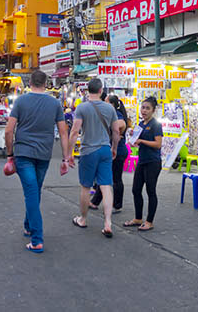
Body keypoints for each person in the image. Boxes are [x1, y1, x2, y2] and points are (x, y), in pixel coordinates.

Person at [5, 70, 69, 253]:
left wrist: (10, 154)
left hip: (23, 153)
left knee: (32, 193)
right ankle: (28, 225)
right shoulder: (55, 103)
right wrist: (66, 157)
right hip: (44, 153)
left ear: (30, 82)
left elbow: (9, 131)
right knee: (34, 191)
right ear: (46, 83)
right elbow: (63, 132)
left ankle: (37, 239)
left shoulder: (21, 101)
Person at [68, 78, 120, 238]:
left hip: (88, 151)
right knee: (105, 186)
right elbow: (116, 131)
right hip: (105, 150)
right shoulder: (109, 108)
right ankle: (108, 223)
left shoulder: (82, 107)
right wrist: (114, 148)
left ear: (87, 90)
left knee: (85, 186)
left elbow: (75, 131)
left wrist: (68, 154)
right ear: (101, 90)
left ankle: (83, 219)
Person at [124, 96, 163, 232]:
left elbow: (158, 144)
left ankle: (149, 221)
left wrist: (141, 141)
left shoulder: (156, 125)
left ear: (153, 110)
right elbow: (137, 141)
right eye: (143, 107)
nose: (144, 110)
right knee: (136, 189)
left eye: (147, 108)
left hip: (153, 162)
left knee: (150, 191)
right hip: (142, 161)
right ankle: (138, 218)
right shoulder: (141, 124)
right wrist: (133, 137)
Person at [90, 94, 129, 213]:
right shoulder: (109, 114)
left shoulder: (117, 114)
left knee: (116, 179)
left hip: (118, 151)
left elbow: (121, 124)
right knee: (105, 176)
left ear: (112, 104)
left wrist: (114, 132)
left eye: (106, 101)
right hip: (111, 150)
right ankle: (95, 201)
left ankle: (117, 205)